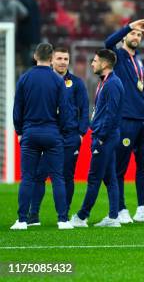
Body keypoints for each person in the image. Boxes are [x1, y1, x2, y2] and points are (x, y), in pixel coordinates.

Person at [11, 43, 72, 230]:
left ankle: (22, 220)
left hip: (30, 132)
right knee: (58, 178)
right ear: (51, 57)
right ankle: (62, 220)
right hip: (52, 132)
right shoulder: (57, 81)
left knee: (28, 178)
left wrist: (20, 131)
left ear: (35, 56)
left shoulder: (25, 78)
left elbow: (17, 108)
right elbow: (65, 110)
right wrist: (60, 131)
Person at [104, 19, 144, 223]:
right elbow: (107, 43)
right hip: (126, 118)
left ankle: (143, 208)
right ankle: (120, 208)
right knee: (120, 166)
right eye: (133, 34)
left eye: (139, 35)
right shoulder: (117, 56)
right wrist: (129, 26)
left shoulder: (139, 59)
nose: (136, 37)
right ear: (125, 37)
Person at [27, 47, 89, 225]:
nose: (63, 62)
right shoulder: (45, 81)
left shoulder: (76, 83)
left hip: (70, 137)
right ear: (51, 60)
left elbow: (84, 109)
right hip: (49, 133)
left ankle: (64, 215)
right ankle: (33, 215)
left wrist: (81, 133)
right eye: (59, 58)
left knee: (66, 176)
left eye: (66, 59)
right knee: (40, 175)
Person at [70, 49, 124, 228]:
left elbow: (111, 113)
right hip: (104, 135)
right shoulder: (105, 82)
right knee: (110, 178)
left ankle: (82, 216)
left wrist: (100, 137)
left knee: (94, 178)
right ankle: (114, 217)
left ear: (105, 64)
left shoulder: (113, 84)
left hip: (104, 137)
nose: (92, 64)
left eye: (95, 61)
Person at [0, 0, 29, 69]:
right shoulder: (14, 2)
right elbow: (25, 14)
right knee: (10, 54)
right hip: (12, 33)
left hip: (1, 32)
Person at [16, 0, 41, 70]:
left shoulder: (19, 1)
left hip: (24, 38)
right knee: (34, 61)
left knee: (26, 63)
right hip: (35, 37)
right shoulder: (34, 2)